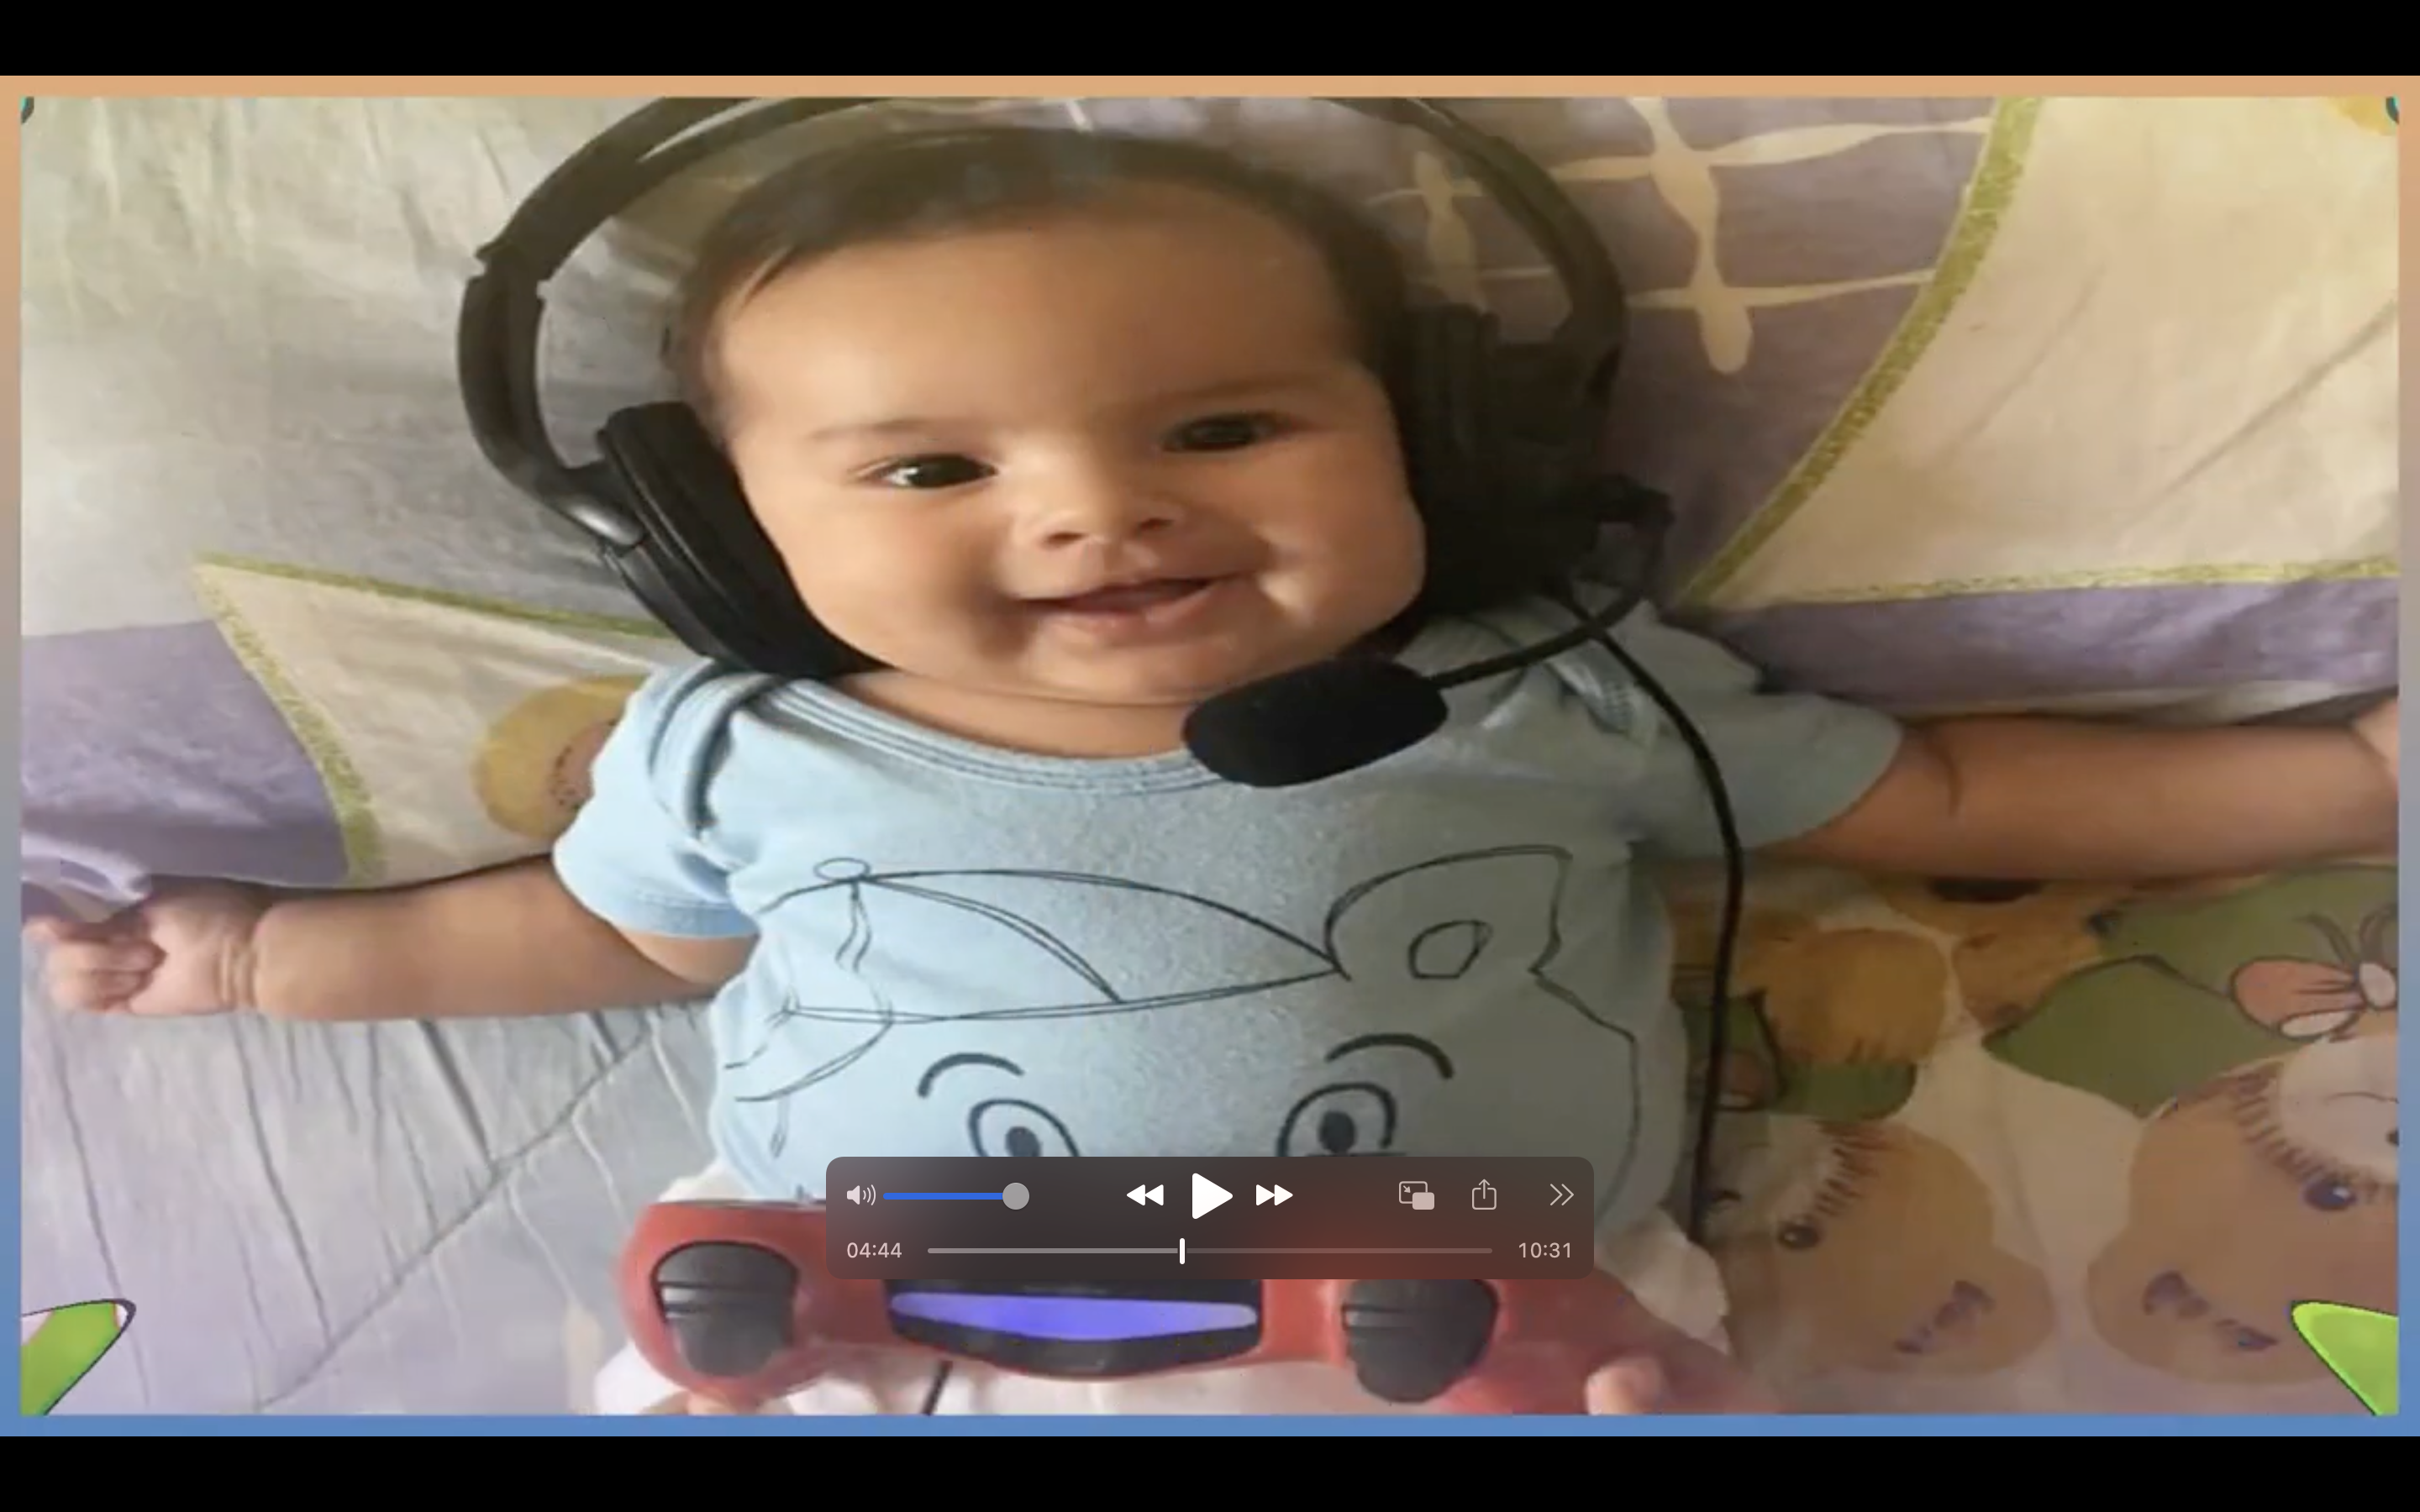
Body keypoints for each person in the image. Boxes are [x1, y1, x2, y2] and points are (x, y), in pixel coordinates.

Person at [29, 126, 2397, 1417]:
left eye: (1226, 426)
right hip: (889, 1311)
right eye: (934, 470)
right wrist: (256, 958)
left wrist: (2351, 780)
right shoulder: (747, 748)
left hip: (1462, 1316)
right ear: (723, 536)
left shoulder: (1548, 691)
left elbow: (1946, 801)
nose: (1097, 510)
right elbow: (599, 931)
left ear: (1431, 442)